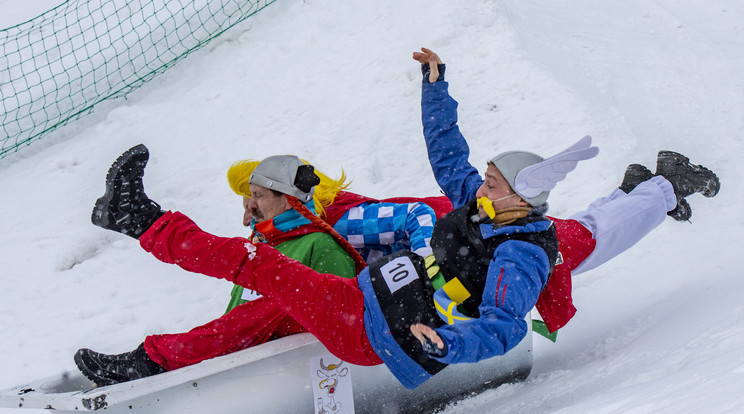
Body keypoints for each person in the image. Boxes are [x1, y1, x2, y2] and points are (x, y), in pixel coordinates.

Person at [74, 151, 361, 386]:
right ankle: (139, 220)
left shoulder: (320, 246)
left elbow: (339, 323)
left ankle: (153, 360)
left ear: (288, 199)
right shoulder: (264, 248)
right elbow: (231, 327)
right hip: (237, 370)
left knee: (280, 303)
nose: (248, 213)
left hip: (284, 378)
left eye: (257, 197)